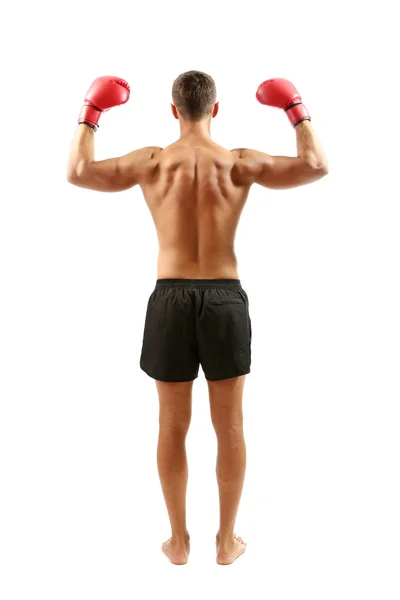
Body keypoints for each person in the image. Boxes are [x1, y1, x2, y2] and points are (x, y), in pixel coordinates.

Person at [67, 71, 328, 565]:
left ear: (172, 111)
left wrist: (91, 113)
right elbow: (315, 165)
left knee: (171, 425)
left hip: (169, 297)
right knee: (230, 425)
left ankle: (179, 541)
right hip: (226, 299)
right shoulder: (237, 162)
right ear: (215, 110)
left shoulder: (152, 162)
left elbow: (78, 172)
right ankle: (225, 543)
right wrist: (296, 109)